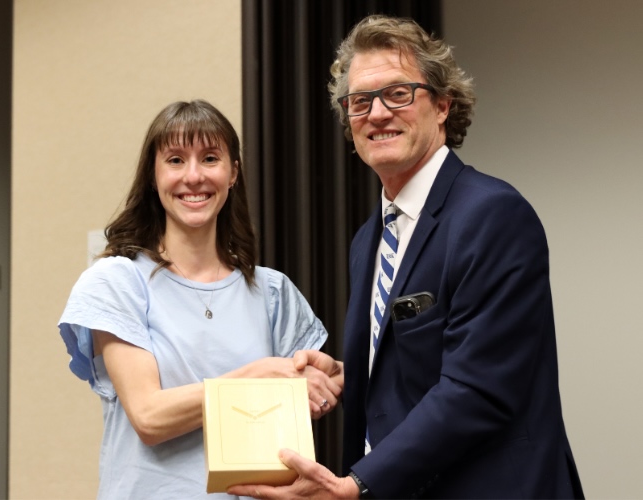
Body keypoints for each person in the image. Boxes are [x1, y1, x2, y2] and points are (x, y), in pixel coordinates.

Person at [229, 14, 584, 499]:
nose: (376, 114)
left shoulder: (492, 215)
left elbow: (477, 389)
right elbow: (422, 366)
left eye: (398, 93)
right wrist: (350, 375)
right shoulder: (367, 239)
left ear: (442, 106)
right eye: (359, 102)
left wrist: (356, 485)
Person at [58, 99, 342, 499]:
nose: (194, 176)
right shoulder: (117, 282)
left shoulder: (273, 293)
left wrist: (324, 379)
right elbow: (149, 417)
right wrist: (258, 373)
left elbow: (300, 402)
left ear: (233, 174)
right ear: (153, 177)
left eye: (210, 158)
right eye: (175, 160)